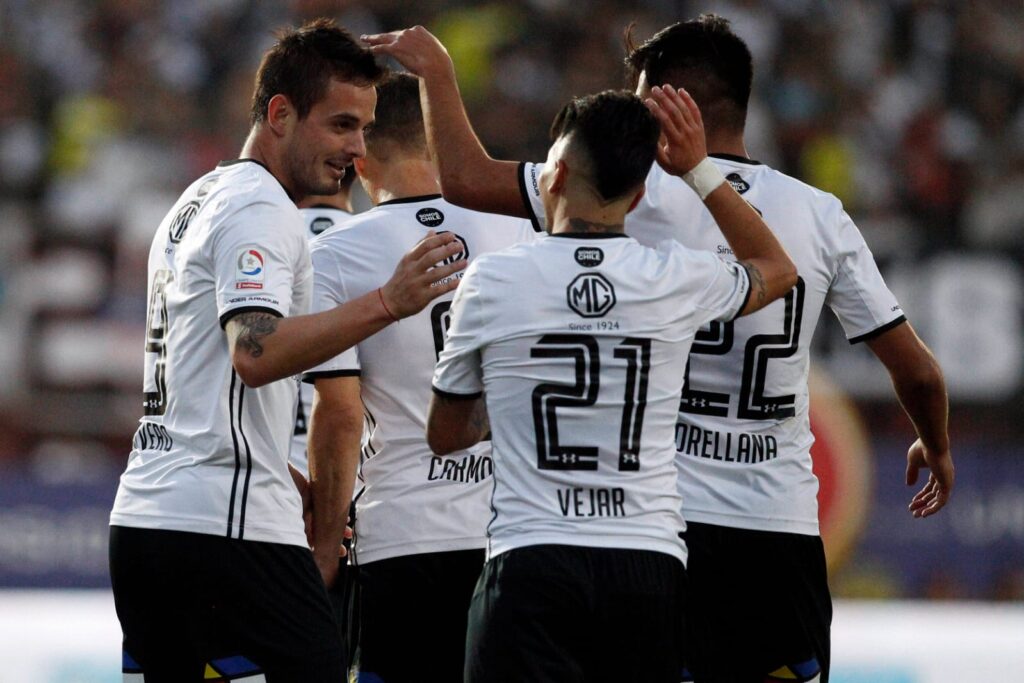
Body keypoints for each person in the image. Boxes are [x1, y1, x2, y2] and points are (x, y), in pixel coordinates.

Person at [365, 17, 954, 683]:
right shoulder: (818, 213)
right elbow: (919, 373)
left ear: (674, 104)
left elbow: (466, 179)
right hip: (772, 528)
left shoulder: (619, 188)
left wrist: (438, 76)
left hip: (664, 527)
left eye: (643, 101)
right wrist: (934, 443)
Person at [108, 20, 466, 682]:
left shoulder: (198, 197)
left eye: (362, 128)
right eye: (339, 126)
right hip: (227, 527)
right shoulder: (259, 208)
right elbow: (254, 348)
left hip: (149, 517)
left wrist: (270, 456)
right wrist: (387, 300)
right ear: (279, 114)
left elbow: (208, 369)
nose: (356, 150)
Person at [426, 85, 797, 682]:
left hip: (530, 560)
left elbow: (445, 434)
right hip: (646, 563)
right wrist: (700, 171)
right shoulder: (675, 276)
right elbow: (778, 269)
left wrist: (518, 400)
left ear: (557, 174)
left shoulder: (493, 280)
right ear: (642, 190)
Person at [302, 71, 537, 682]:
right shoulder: (522, 229)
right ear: (439, 141)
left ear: (361, 154)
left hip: (402, 535)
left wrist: (326, 543)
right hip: (513, 533)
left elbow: (340, 412)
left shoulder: (334, 255)